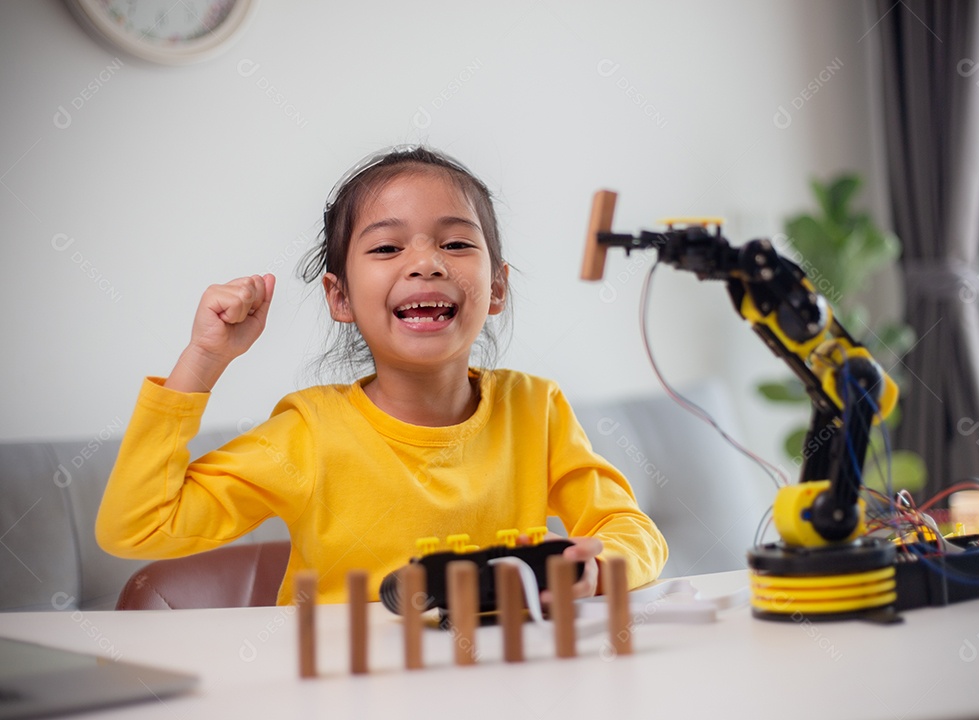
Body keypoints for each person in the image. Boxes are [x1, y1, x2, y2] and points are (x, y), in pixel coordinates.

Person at [96, 146, 668, 605]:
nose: (425, 261)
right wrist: (203, 359)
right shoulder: (310, 431)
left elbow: (633, 530)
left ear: (496, 288)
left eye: (457, 242)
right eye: (388, 246)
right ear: (339, 296)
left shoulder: (535, 409)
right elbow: (138, 526)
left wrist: (599, 567)